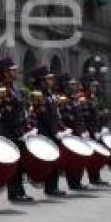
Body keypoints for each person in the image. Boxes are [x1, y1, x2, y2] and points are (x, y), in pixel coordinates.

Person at [0, 57, 34, 203]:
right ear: (5, 72)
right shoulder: (3, 89)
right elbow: (7, 114)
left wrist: (25, 128)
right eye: (12, 70)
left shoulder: (12, 88)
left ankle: (19, 191)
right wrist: (19, 130)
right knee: (14, 163)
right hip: (9, 131)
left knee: (19, 164)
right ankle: (14, 193)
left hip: (17, 130)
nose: (16, 72)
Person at [31, 67, 67, 197]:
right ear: (42, 81)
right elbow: (43, 115)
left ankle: (53, 186)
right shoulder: (37, 94)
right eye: (48, 79)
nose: (51, 81)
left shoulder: (48, 94)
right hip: (45, 131)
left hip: (53, 131)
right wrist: (54, 131)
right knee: (49, 160)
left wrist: (62, 128)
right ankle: (50, 187)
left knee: (55, 160)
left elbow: (55, 115)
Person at [58, 77, 88, 191]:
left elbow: (81, 118)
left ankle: (78, 181)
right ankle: (73, 182)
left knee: (80, 158)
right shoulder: (64, 99)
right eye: (72, 85)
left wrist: (83, 130)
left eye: (76, 85)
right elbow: (64, 117)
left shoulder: (77, 100)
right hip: (70, 134)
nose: (75, 87)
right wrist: (67, 130)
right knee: (72, 160)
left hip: (79, 133)